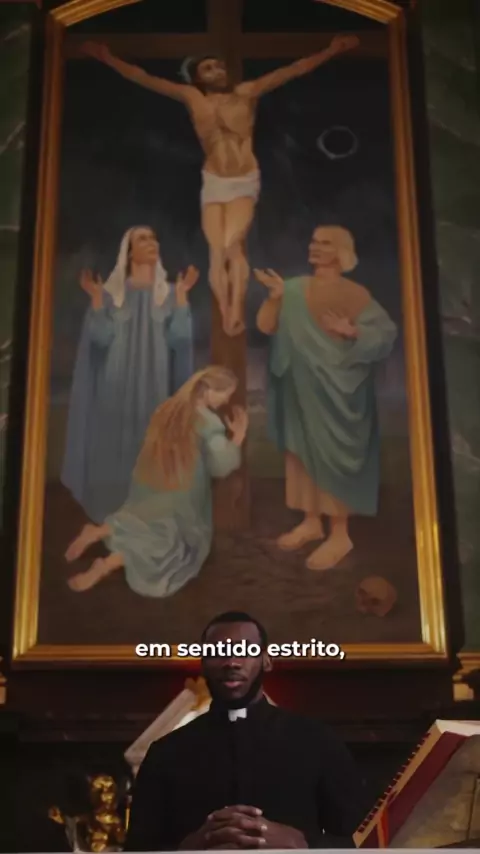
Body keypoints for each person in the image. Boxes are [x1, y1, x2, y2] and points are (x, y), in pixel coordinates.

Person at [81, 37, 359, 337]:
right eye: (209, 68)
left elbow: (292, 70)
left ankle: (235, 310)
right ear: (197, 77)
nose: (218, 71)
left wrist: (331, 50)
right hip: (214, 180)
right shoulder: (192, 97)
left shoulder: (246, 92)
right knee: (216, 251)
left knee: (231, 246)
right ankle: (225, 311)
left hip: (243, 180)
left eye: (220, 66)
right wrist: (107, 58)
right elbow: (144, 78)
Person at [124, 611, 369, 850]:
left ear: (267, 661)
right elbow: (136, 850)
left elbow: (365, 844)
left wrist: (304, 843)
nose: (231, 662)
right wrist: (187, 848)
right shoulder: (165, 753)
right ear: (203, 664)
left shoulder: (318, 742)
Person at [255, 226, 397, 571]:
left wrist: (353, 331)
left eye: (325, 243)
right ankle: (311, 522)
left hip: (340, 390)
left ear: (341, 252)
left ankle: (340, 534)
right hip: (300, 387)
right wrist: (275, 297)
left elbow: (385, 333)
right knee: (302, 452)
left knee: (334, 457)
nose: (315, 247)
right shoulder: (292, 288)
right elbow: (265, 326)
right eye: (314, 241)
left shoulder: (355, 294)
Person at [64, 367, 247, 595]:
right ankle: (104, 566)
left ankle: (100, 531)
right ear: (209, 389)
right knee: (169, 545)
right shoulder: (209, 423)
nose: (227, 400)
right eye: (226, 394)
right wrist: (238, 437)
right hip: (183, 492)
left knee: (142, 521)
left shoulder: (169, 408)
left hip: (153, 484)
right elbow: (221, 466)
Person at [61, 226, 198, 523]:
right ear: (129, 251)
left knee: (151, 447)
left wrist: (182, 297)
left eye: (154, 238)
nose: (151, 243)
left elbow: (180, 339)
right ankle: (114, 521)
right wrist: (96, 299)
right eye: (143, 239)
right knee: (115, 448)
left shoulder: (169, 294)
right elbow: (100, 340)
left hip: (155, 384)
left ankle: (147, 523)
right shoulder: (112, 295)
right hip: (116, 384)